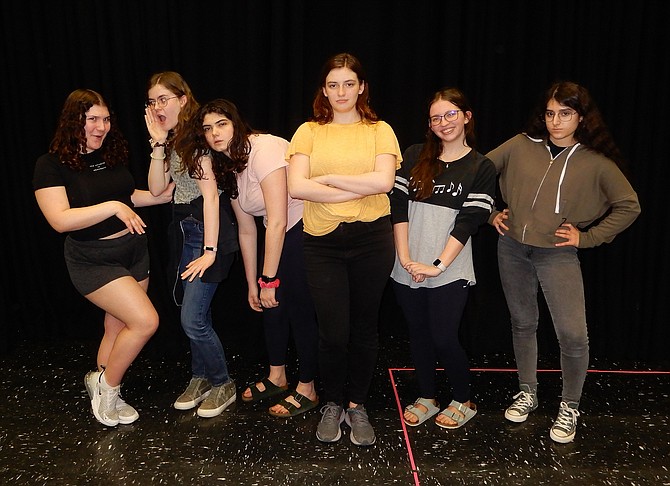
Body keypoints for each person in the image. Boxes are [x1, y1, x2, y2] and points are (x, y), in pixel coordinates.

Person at [487, 81, 641, 443]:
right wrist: (490, 213)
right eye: (551, 113)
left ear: (581, 117)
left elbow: (629, 205)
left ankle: (569, 405)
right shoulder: (521, 144)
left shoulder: (595, 161)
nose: (556, 121)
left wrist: (587, 238)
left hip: (557, 253)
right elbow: (477, 172)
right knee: (523, 323)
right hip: (511, 248)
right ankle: (528, 391)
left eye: (566, 114)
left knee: (573, 335)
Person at [33, 89, 174, 427]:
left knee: (118, 325)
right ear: (74, 121)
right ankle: (107, 388)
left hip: (133, 250)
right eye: (92, 119)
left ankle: (104, 381)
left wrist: (163, 195)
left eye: (106, 119)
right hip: (92, 258)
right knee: (145, 322)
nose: (101, 127)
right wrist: (113, 207)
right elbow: (60, 220)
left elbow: (128, 197)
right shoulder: (50, 165)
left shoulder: (110, 152)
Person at [287, 53, 402, 446]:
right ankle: (332, 401)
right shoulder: (308, 132)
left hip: (372, 239)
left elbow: (384, 182)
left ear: (362, 87)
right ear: (324, 89)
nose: (341, 92)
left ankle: (357, 404)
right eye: (333, 84)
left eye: (349, 84)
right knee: (333, 332)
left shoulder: (380, 130)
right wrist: (357, 183)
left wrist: (331, 178)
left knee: (364, 328)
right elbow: (297, 187)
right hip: (322, 242)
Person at [184, 99, 319, 417]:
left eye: (221, 124)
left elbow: (277, 219)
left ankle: (308, 388)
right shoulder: (228, 165)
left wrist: (269, 279)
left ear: (236, 123)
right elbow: (247, 230)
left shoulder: (264, 149)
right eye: (207, 128)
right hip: (278, 234)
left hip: (305, 230)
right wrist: (252, 283)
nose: (214, 133)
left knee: (298, 308)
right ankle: (277, 376)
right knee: (270, 307)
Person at [389, 88, 496, 429]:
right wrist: (406, 259)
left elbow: (468, 222)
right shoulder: (414, 154)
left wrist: (435, 266)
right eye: (436, 117)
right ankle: (426, 396)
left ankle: (464, 400)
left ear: (466, 117)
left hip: (448, 269)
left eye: (451, 114)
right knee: (418, 334)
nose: (444, 122)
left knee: (444, 336)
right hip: (407, 265)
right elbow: (398, 208)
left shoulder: (481, 166)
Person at [145, 72, 238, 418]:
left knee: (193, 320)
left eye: (164, 100)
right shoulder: (174, 140)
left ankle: (222, 383)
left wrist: (209, 252)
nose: (157, 107)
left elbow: (212, 197)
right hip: (186, 231)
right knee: (198, 312)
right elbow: (157, 189)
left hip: (205, 233)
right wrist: (157, 145)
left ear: (183, 100)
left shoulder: (196, 140)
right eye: (152, 101)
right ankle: (201, 377)